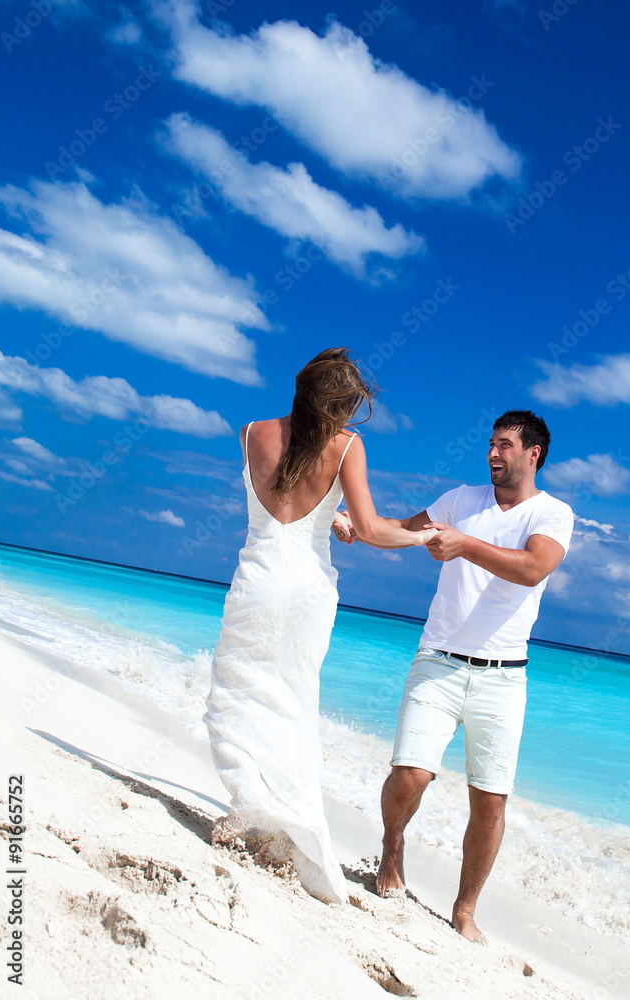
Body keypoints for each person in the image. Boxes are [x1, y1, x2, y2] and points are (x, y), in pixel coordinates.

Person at [205, 348, 437, 905]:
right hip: (308, 590)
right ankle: (299, 831)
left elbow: (282, 508)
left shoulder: (251, 432)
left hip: (258, 579)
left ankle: (258, 806)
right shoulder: (345, 447)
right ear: (338, 404)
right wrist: (423, 536)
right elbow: (372, 528)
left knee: (239, 692)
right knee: (296, 701)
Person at [334, 410, 574, 942]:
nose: (493, 453)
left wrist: (465, 545)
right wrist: (359, 526)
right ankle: (392, 849)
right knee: (410, 776)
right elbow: (403, 530)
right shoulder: (461, 500)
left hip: (505, 677)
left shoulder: (554, 514)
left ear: (533, 454)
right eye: (490, 443)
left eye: (505, 445)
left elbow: (533, 568)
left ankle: (464, 910)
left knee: (490, 799)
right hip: (438, 661)